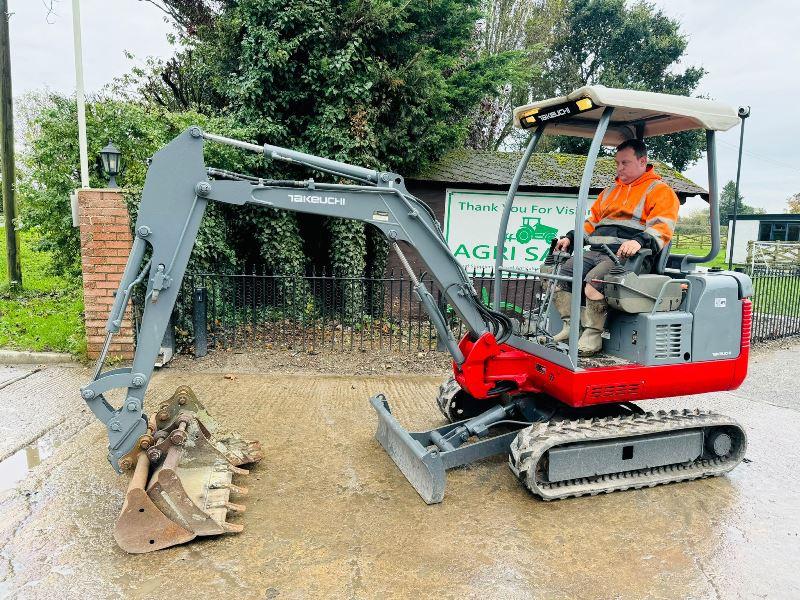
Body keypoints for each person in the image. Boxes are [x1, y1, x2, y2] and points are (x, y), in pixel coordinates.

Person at [552, 138, 680, 356]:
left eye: (625, 163)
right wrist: (571, 238)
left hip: (628, 256)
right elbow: (591, 223)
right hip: (597, 251)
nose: (619, 168)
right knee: (561, 276)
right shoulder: (610, 191)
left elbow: (662, 227)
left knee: (594, 284)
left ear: (642, 161)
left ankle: (592, 338)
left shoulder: (660, 191)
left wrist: (639, 241)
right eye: (617, 163)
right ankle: (569, 327)